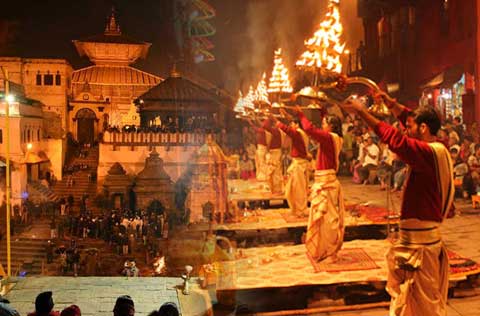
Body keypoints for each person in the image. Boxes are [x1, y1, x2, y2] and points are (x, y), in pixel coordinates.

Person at [343, 93, 454, 316]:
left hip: (421, 248)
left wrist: (363, 112)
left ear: (423, 128)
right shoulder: (433, 147)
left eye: (410, 126)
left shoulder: (429, 152)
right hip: (415, 243)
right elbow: (408, 120)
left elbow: (396, 140)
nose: (405, 128)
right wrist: (389, 102)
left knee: (423, 308)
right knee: (410, 304)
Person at [295, 107, 345, 263]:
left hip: (327, 184)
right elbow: (321, 126)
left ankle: (331, 252)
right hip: (323, 182)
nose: (322, 125)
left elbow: (309, 128)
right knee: (322, 220)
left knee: (328, 220)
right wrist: (320, 107)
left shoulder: (330, 138)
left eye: (324, 123)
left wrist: (300, 113)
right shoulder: (333, 137)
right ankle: (323, 250)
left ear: (331, 126)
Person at [270, 110, 310, 217]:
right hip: (297, 164)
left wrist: (276, 121)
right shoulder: (299, 133)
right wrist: (286, 115)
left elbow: (288, 130)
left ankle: (301, 210)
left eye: (292, 124)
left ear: (297, 125)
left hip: (299, 165)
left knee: (299, 190)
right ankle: (296, 209)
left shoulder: (298, 133)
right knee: (290, 190)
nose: (291, 125)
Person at [262, 118, 284, 194]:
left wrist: (268, 118)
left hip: (276, 153)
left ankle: (277, 190)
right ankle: (274, 189)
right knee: (272, 172)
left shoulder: (276, 131)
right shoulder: (276, 131)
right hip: (273, 153)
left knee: (275, 172)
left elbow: (265, 126)